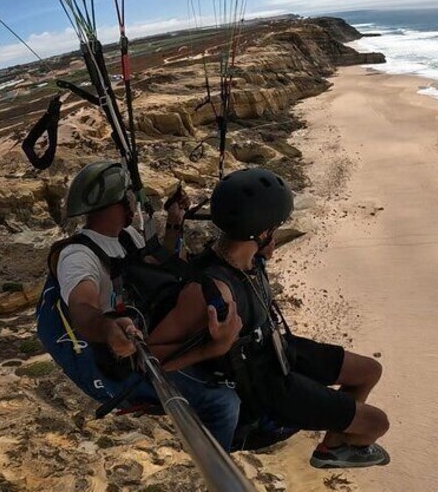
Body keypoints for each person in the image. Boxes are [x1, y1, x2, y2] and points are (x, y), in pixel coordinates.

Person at [149, 167, 391, 468]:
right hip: (267, 387)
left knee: (369, 371)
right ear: (261, 233)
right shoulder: (214, 290)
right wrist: (213, 349)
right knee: (377, 424)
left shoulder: (248, 259)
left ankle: (334, 444)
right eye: (274, 229)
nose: (276, 237)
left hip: (278, 349)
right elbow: (150, 361)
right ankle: (332, 448)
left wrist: (175, 222)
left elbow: (177, 259)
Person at [35, 160, 242, 451]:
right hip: (115, 355)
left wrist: (174, 223)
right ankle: (218, 465)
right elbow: (81, 307)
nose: (133, 199)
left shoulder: (126, 235)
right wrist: (107, 329)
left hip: (142, 328)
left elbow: (156, 268)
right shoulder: (78, 256)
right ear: (118, 202)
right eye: (129, 194)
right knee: (222, 401)